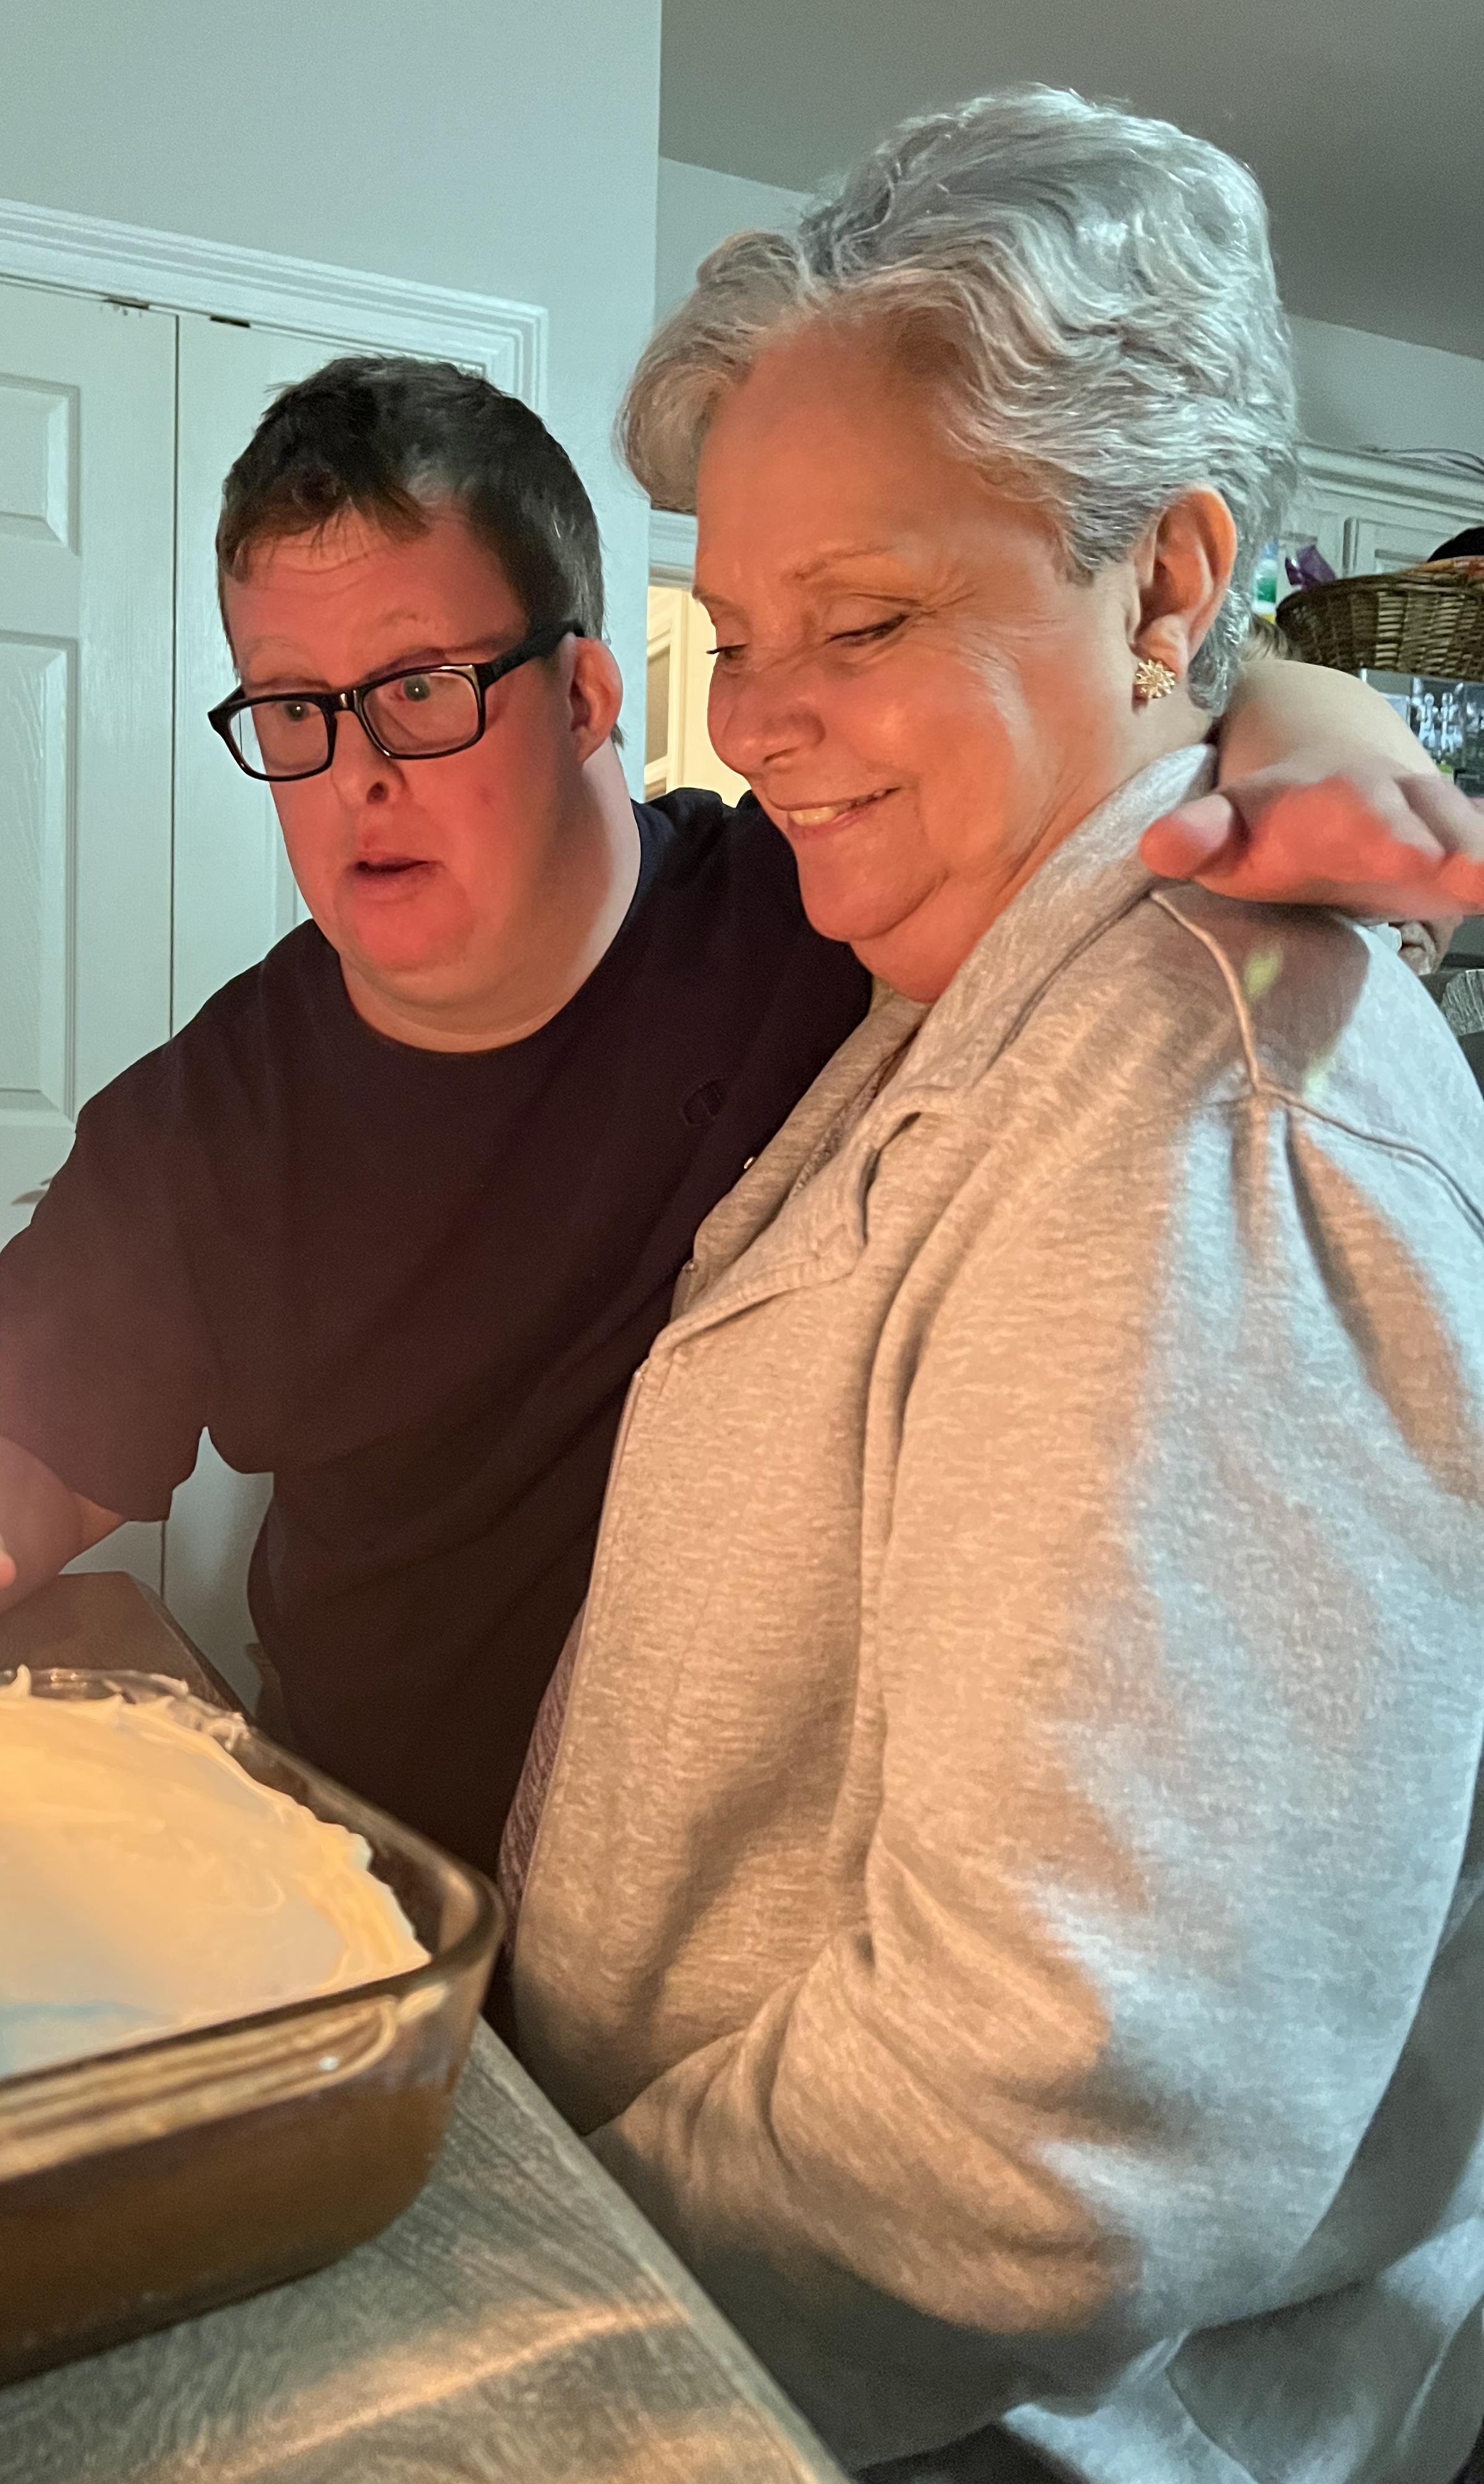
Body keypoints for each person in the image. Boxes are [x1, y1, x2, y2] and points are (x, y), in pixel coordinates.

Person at [0, 359, 1483, 1875]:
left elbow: (1105, 757)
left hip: (764, 1926)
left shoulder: (824, 921)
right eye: (295, 711)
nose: (357, 774)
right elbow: (22, 1468)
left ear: (586, 696)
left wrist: (1298, 714)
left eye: (419, 689)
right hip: (380, 1890)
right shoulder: (212, 1121)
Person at [506, 89, 1484, 2481]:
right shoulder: (977, 972)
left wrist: (503, 2336)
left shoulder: (1202, 1107)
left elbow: (1042, 2122)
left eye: (862, 623)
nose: (754, 721)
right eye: (739, 635)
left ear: (1166, 580)